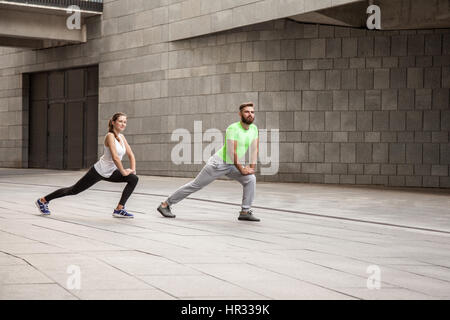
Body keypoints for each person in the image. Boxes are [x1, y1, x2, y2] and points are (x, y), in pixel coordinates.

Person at [157, 102, 260, 222]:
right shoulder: (233, 128)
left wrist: (251, 168)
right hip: (218, 163)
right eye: (247, 112)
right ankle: (165, 205)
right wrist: (242, 169)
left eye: (252, 112)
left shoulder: (254, 128)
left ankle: (245, 211)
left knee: (250, 179)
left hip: (232, 164)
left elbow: (254, 149)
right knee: (196, 185)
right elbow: (232, 152)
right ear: (240, 114)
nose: (250, 114)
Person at [35, 112, 139, 218]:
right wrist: (123, 171)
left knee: (133, 178)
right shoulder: (110, 136)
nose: (123, 124)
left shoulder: (122, 137)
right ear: (113, 122)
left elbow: (131, 154)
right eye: (120, 121)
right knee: (73, 190)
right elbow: (115, 157)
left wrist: (133, 169)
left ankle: (119, 209)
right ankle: (43, 200)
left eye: (125, 122)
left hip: (111, 172)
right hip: (99, 171)